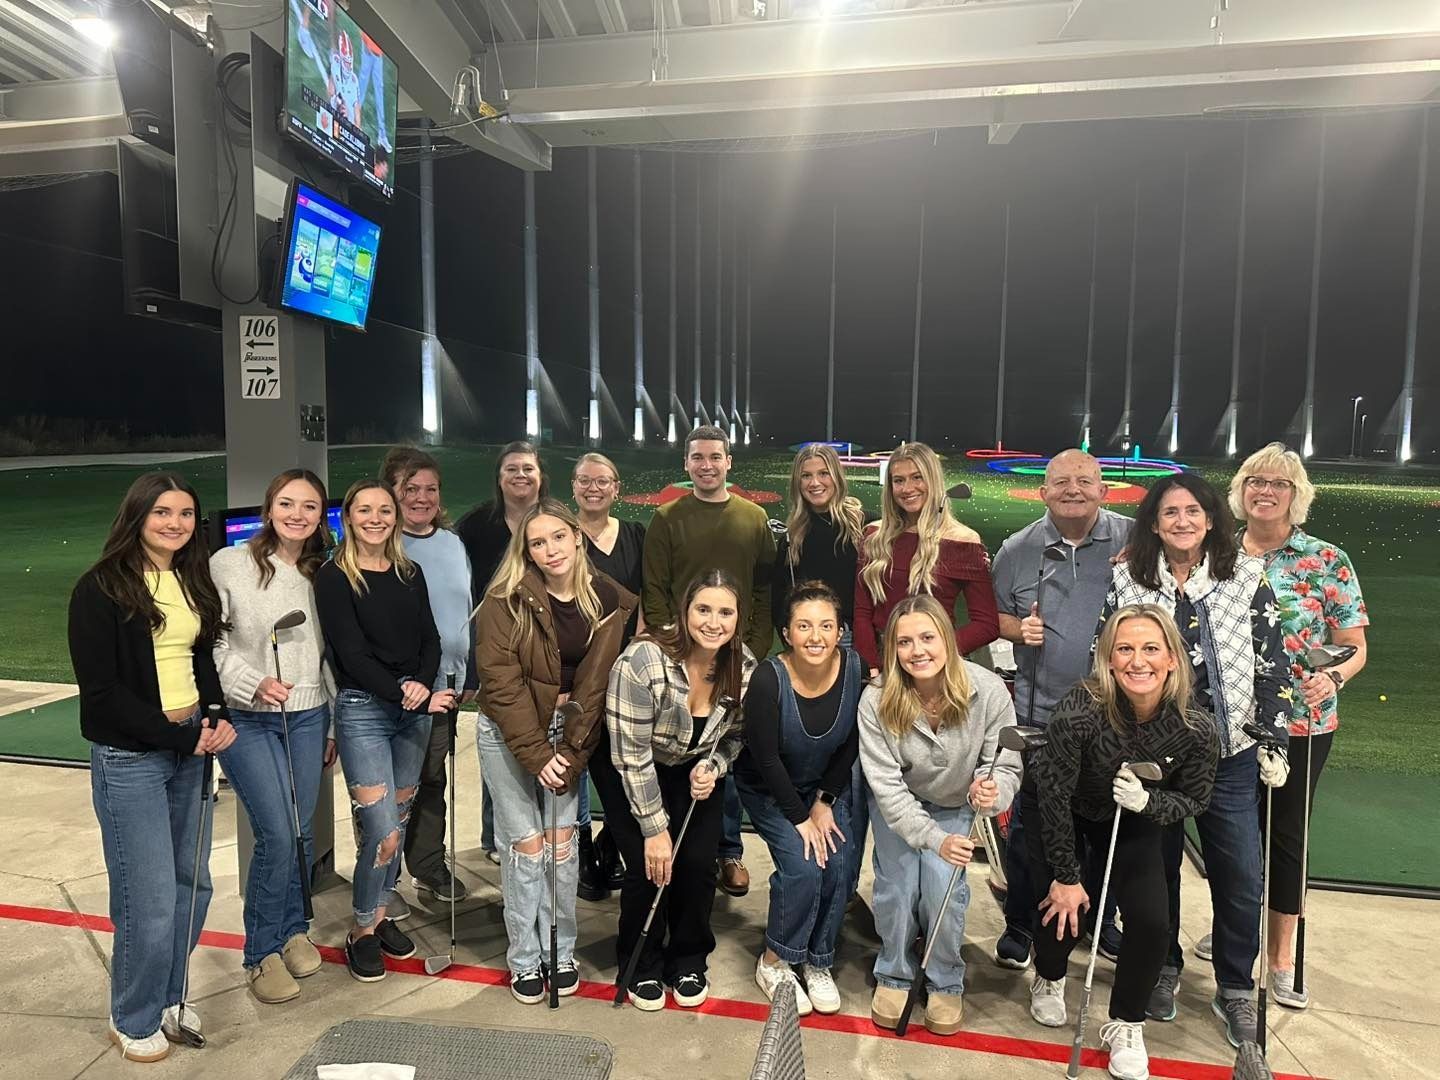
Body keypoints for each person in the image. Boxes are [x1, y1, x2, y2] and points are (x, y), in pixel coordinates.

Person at [1100, 473, 1289, 1047]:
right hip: (1152, 755)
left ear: (1210, 520)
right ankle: (1164, 966)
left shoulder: (1247, 579)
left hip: (1229, 754)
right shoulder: (1127, 581)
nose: (1181, 522)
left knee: (1239, 875)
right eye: (1169, 513)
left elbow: (1271, 663)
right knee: (1155, 872)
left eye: (1192, 512)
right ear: (1153, 523)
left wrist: (1273, 737)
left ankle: (1235, 984)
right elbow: (1104, 657)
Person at [68, 472, 237, 1061]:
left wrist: (213, 714)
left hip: (190, 748)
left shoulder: (191, 579)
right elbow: (102, 695)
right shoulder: (101, 589)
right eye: (163, 512)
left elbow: (201, 657)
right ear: (137, 515)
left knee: (193, 884)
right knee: (149, 896)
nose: (175, 524)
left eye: (186, 514)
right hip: (132, 758)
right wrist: (178, 737)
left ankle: (168, 995)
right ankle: (133, 1014)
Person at [1024, 604, 1219, 1080]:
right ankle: (1049, 977)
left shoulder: (1196, 727)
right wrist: (1067, 877)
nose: (1138, 661)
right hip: (1066, 811)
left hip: (1132, 818)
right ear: (1108, 660)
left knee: (1153, 920)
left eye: (1151, 649)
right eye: (1124, 649)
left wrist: (1147, 805)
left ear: (1173, 658)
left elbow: (1193, 799)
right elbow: (1053, 794)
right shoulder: (1081, 709)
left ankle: (1125, 1023)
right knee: (1065, 903)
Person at [474, 499, 637, 1003]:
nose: (550, 550)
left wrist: (569, 748)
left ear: (576, 537)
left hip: (569, 734)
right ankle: (525, 957)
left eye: (557, 538)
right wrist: (540, 755)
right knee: (526, 847)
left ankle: (559, 951)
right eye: (537, 543)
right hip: (508, 733)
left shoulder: (610, 598)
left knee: (563, 849)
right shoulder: (505, 600)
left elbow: (595, 687)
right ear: (526, 551)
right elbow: (500, 687)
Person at [1232, 442, 1369, 1009]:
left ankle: (1281, 958)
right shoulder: (1219, 553)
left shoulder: (1325, 559)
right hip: (1232, 720)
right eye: (1255, 481)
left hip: (1302, 723)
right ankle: (1237, 932)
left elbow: (1353, 646)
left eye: (1279, 484)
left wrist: (1333, 679)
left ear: (1297, 495)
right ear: (1241, 491)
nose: (1266, 491)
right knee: (1236, 837)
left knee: (1286, 839)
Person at [990, 449, 1133, 969]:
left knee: (1107, 823)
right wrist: (1016, 629)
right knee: (1032, 824)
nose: (1073, 489)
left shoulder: (1135, 540)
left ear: (1104, 489)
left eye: (1085, 481)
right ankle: (1021, 923)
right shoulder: (1017, 549)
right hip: (1040, 714)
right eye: (1061, 482)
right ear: (1043, 491)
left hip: (1118, 717)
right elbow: (994, 617)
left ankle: (1100, 919)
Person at [858, 594, 1021, 1036]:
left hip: (956, 806)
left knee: (941, 890)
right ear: (892, 649)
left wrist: (993, 793)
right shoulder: (876, 700)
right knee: (897, 887)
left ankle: (945, 978)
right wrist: (933, 839)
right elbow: (888, 789)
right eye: (904, 642)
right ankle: (894, 971)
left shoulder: (986, 691)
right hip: (903, 809)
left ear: (948, 639)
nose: (918, 651)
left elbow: (1004, 767)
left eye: (927, 637)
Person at [315, 481, 457, 983]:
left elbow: (430, 638)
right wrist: (406, 692)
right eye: (364, 510)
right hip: (365, 711)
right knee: (379, 827)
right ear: (348, 518)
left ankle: (376, 914)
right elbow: (350, 654)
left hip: (411, 714)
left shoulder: (407, 571)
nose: (375, 518)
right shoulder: (334, 577)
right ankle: (360, 928)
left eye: (383, 510)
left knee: (393, 826)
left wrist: (420, 684)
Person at [602, 569, 759, 1011]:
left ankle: (688, 959)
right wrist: (654, 830)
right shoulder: (643, 660)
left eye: (725, 612)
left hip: (692, 767)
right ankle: (639, 962)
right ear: (685, 611)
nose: (714, 622)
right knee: (650, 866)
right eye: (703, 609)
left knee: (695, 863)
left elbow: (735, 737)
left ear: (738, 617)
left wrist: (714, 764)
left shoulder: (743, 667)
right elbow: (630, 755)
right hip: (633, 765)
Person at [210, 469, 335, 1005]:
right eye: (287, 503)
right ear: (268, 507)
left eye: (310, 507)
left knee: (300, 831)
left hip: (307, 717)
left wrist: (328, 720)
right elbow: (210, 642)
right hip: (248, 716)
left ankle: (290, 930)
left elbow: (331, 654)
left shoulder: (324, 571)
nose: (297, 515)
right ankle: (260, 953)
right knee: (278, 834)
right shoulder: (230, 563)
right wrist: (250, 681)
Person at [642, 425, 776, 898]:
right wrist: (671, 646)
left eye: (715, 457)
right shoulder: (667, 518)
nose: (706, 465)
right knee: (679, 750)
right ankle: (674, 844)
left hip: (735, 654)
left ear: (728, 463)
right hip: (683, 656)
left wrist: (752, 646)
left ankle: (729, 850)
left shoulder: (753, 518)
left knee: (724, 749)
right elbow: (655, 590)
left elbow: (762, 590)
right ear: (686, 464)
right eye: (697, 457)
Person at [736, 580, 862, 1017]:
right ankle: (775, 959)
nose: (816, 636)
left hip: (822, 788)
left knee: (842, 865)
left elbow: (850, 745)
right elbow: (765, 758)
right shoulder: (769, 679)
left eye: (826, 625)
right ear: (786, 633)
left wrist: (824, 801)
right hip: (771, 788)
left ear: (840, 630)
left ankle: (817, 959)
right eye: (804, 626)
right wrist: (799, 816)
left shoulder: (853, 668)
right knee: (804, 867)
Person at [770, 443, 869, 901]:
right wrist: (793, 639)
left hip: (844, 641)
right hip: (806, 641)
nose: (815, 482)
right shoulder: (793, 533)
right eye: (806, 475)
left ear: (836, 477)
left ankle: (843, 878)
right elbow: (779, 597)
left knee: (848, 750)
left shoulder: (857, 529)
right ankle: (805, 823)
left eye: (822, 473)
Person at [382, 447, 476, 914]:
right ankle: (381, 876)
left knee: (431, 781)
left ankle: (427, 865)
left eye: (430, 489)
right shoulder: (380, 544)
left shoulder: (453, 544)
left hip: (446, 690)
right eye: (410, 489)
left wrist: (468, 673)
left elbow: (466, 611)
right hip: (396, 692)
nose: (421, 498)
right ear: (391, 493)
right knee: (390, 790)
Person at [457, 441, 548, 863]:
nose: (520, 476)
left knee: (542, 738)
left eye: (528, 468)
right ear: (500, 478)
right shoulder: (476, 525)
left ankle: (543, 830)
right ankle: (498, 836)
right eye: (512, 469)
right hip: (495, 650)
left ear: (540, 476)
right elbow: (461, 591)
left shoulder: (553, 521)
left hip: (544, 648)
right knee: (501, 738)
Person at [854, 441, 999, 678]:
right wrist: (870, 666)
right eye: (898, 480)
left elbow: (986, 624)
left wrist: (936, 651)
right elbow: (863, 611)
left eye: (917, 477)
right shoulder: (873, 536)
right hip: (882, 667)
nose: (907, 488)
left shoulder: (964, 541)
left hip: (935, 668)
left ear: (933, 480)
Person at [572, 452, 648, 899]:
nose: (594, 488)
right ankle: (589, 859)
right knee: (586, 765)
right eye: (585, 480)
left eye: (603, 481)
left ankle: (608, 848)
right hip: (579, 671)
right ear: (574, 486)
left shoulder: (636, 535)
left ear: (617, 488)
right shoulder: (564, 537)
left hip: (629, 670)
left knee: (629, 769)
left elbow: (651, 598)